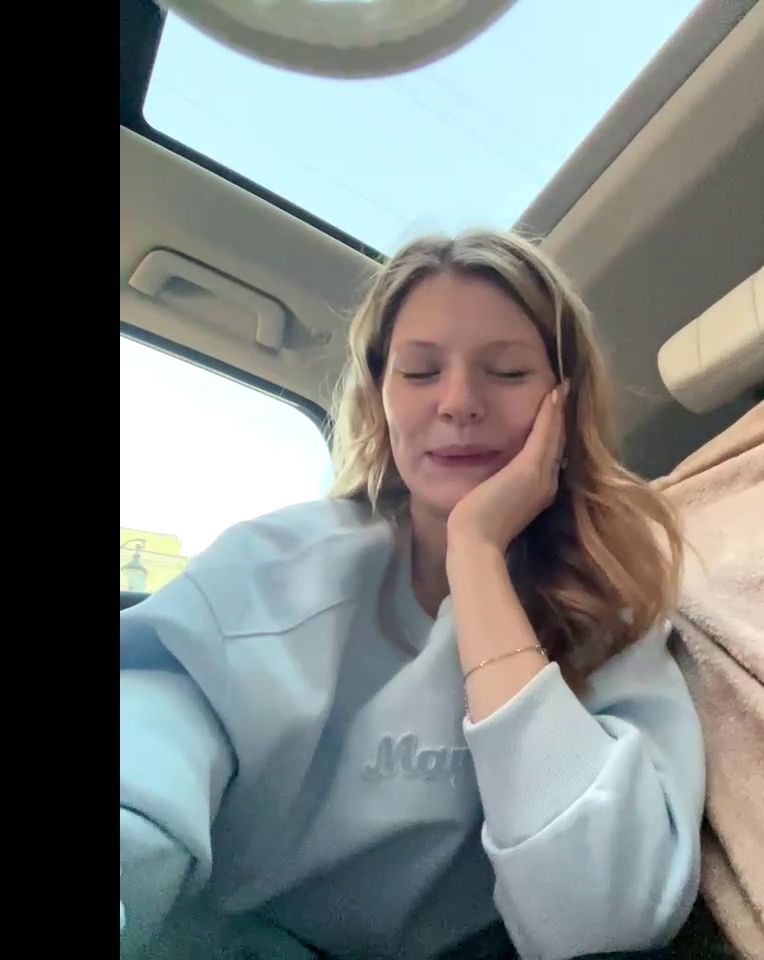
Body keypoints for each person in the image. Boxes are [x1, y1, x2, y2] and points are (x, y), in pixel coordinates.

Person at [120, 230, 706, 960]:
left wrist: (476, 553)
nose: (458, 403)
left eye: (507, 371)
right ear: (381, 398)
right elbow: (154, 733)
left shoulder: (613, 617)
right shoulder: (274, 563)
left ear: (564, 402)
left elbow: (603, 916)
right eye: (421, 371)